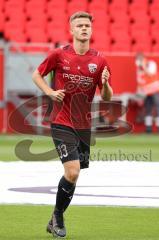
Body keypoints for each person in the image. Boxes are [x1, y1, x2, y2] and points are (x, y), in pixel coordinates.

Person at [32, 11, 113, 238]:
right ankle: (58, 217)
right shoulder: (59, 54)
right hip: (61, 121)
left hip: (83, 126)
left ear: (91, 29)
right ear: (72, 29)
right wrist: (49, 92)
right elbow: (36, 75)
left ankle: (54, 217)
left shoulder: (100, 60)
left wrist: (105, 84)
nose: (84, 29)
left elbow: (106, 97)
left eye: (87, 25)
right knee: (73, 170)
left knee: (74, 175)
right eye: (79, 26)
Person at [135, 53, 159, 133]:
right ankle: (148, 128)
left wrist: (144, 66)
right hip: (146, 92)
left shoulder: (151, 64)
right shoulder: (139, 69)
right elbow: (140, 81)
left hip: (155, 90)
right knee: (147, 109)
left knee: (157, 108)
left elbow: (150, 74)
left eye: (139, 59)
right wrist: (139, 93)